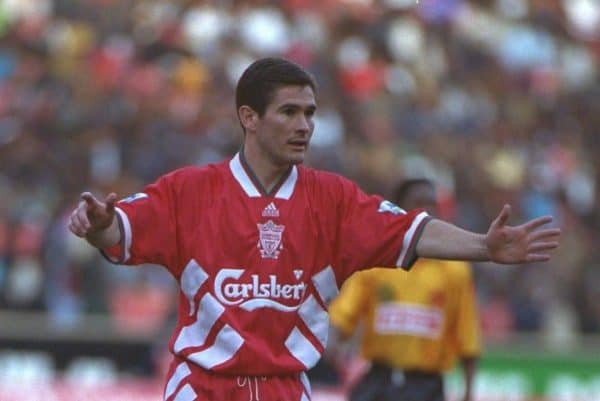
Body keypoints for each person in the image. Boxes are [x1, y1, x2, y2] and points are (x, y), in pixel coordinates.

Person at [68, 57, 560, 401]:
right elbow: (119, 231)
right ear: (249, 118)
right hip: (204, 387)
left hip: (288, 386)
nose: (304, 125)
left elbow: (412, 230)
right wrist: (97, 224)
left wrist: (484, 246)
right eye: (289, 112)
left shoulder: (334, 199)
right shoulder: (190, 191)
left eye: (310, 113)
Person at [327, 178, 481, 401]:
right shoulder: (377, 263)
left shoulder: (455, 270)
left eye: (432, 204)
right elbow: (342, 316)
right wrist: (334, 348)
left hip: (426, 385)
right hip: (380, 380)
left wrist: (469, 392)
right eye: (419, 203)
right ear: (400, 211)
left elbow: (467, 336)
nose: (427, 211)